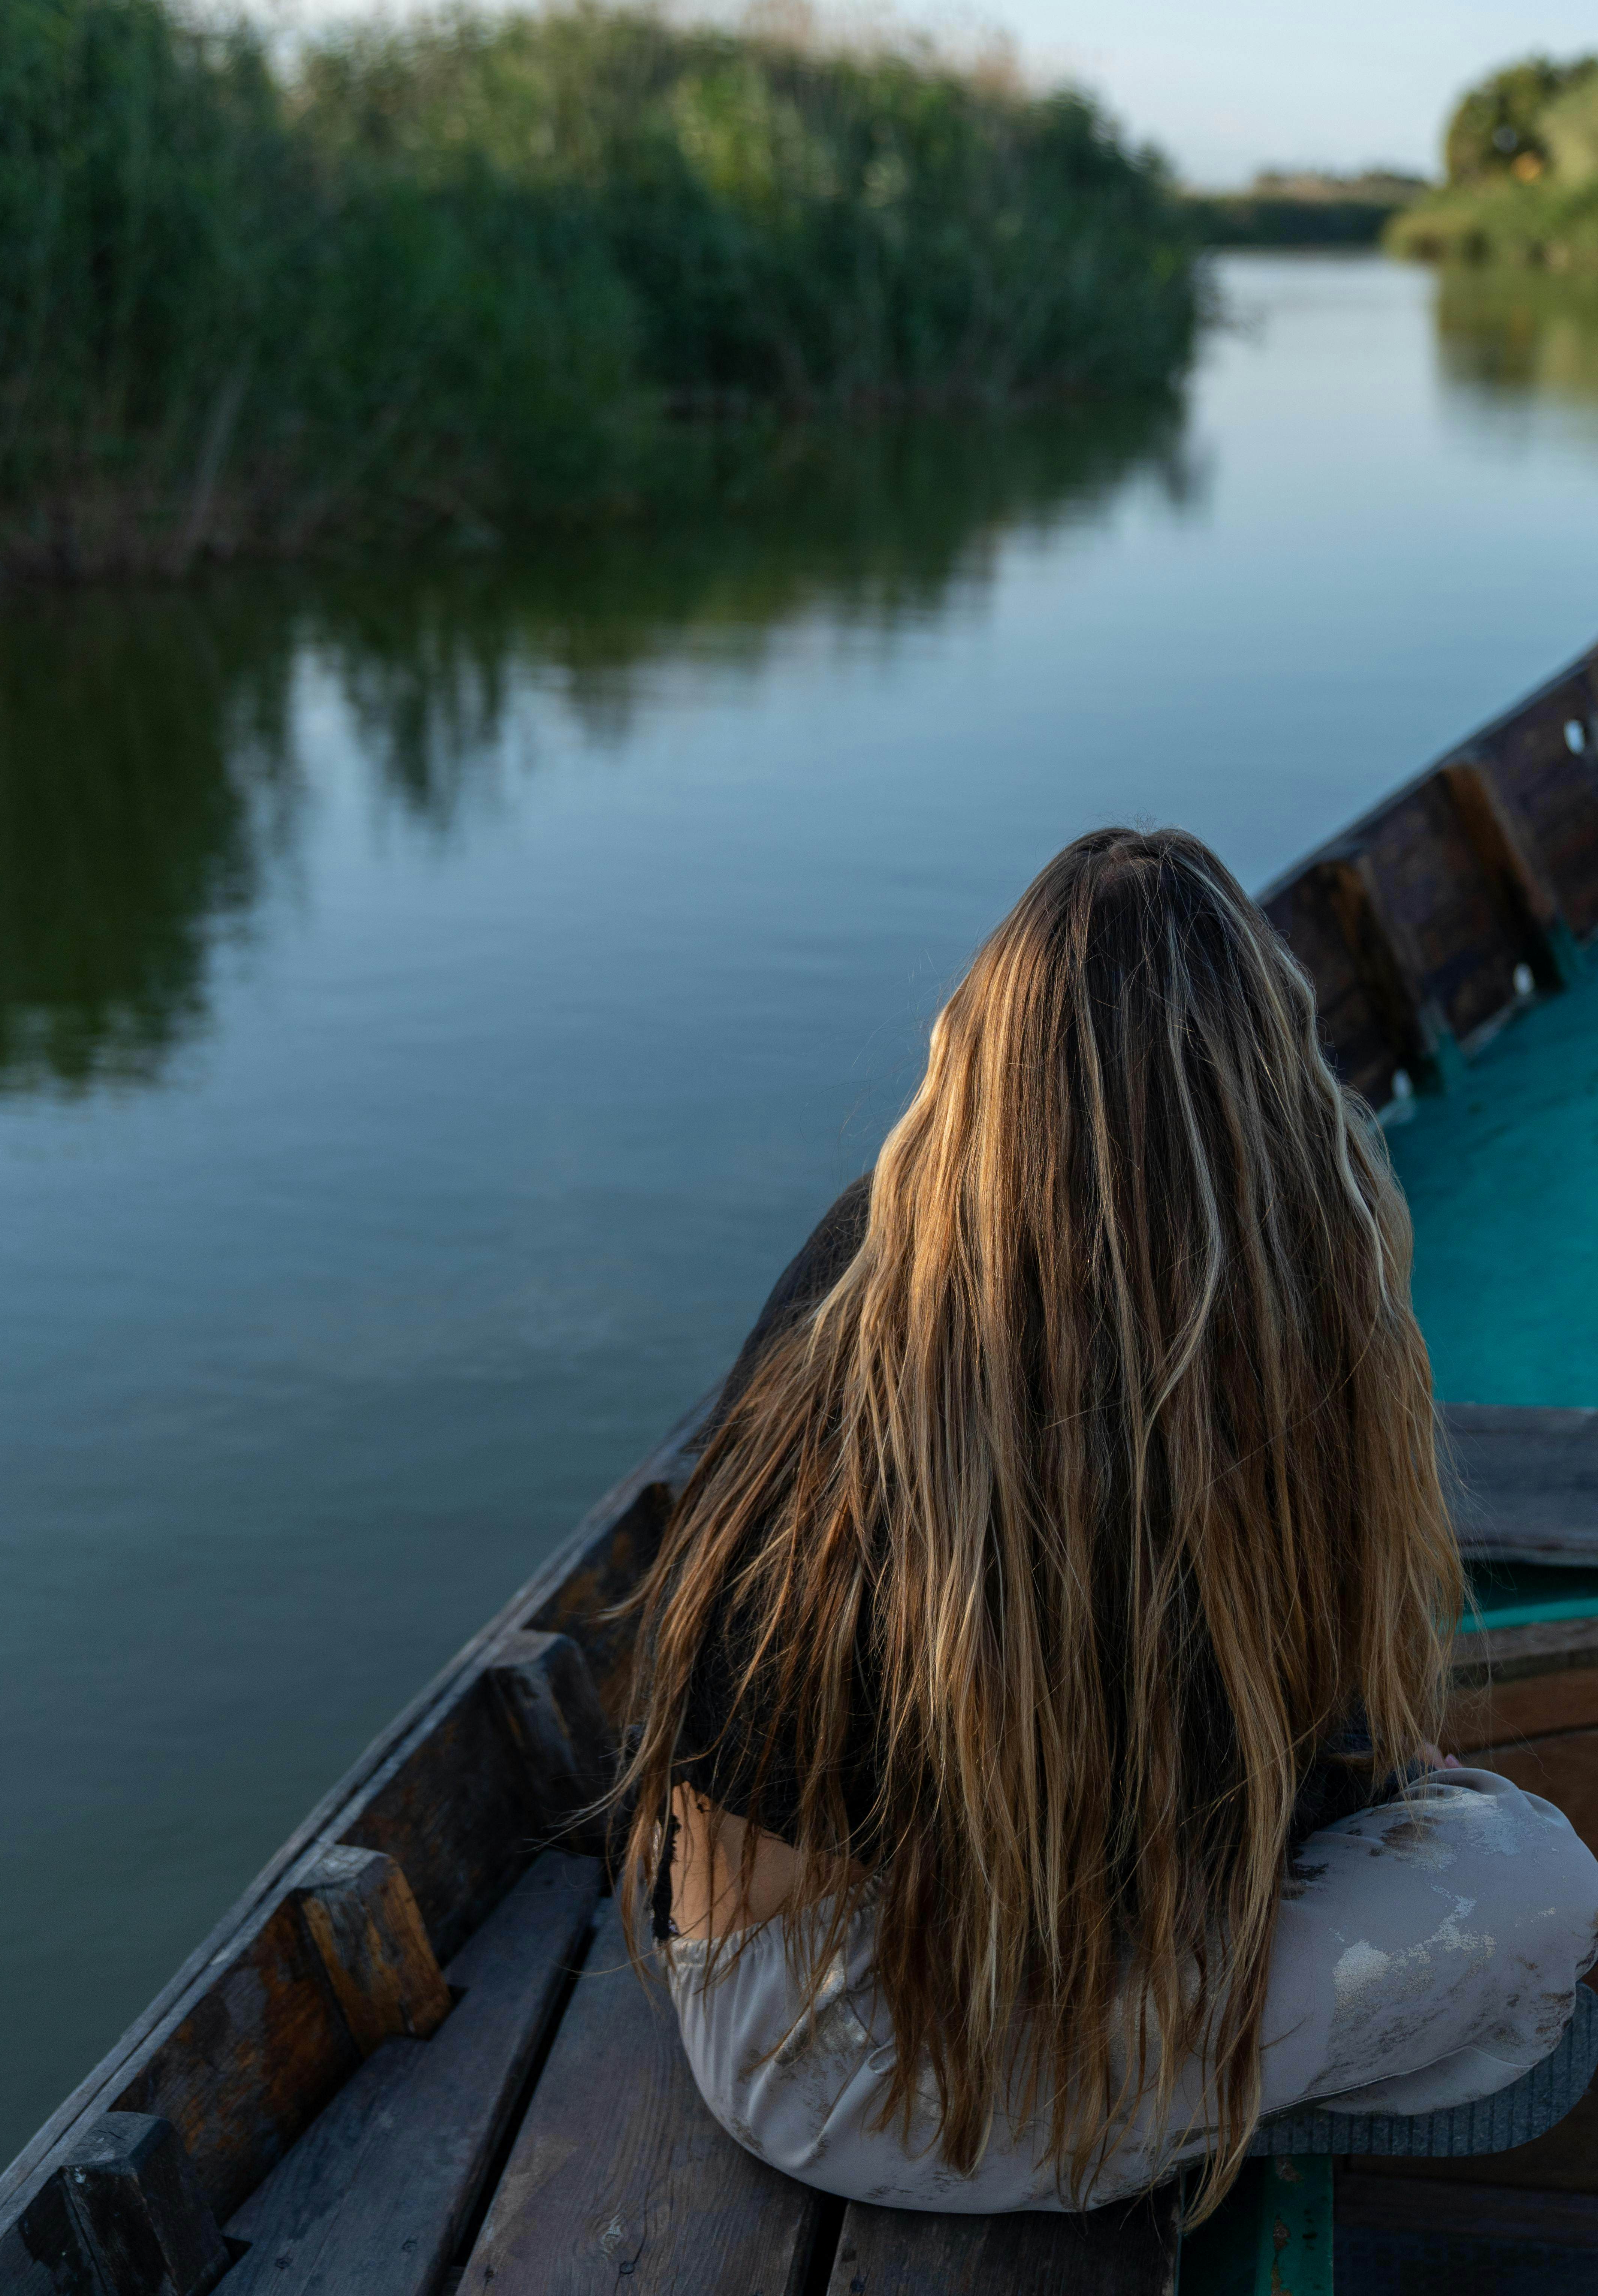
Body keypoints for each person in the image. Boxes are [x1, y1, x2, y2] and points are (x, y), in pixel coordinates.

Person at [610, 827, 1598, 2219]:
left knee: (1441, 1855)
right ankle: (1191, 2121)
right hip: (855, 2051)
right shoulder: (1285, 1326)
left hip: (797, 1968)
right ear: (1266, 1094)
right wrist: (1370, 1790)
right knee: (1540, 1894)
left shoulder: (871, 1253)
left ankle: (1190, 2098)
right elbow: (1148, 1823)